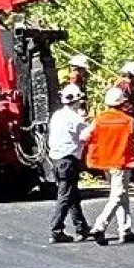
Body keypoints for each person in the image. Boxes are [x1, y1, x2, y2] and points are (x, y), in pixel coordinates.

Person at [84, 86, 134, 246]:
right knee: (118, 195)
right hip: (121, 162)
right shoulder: (127, 120)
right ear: (122, 104)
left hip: (105, 162)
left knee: (122, 195)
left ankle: (125, 230)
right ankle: (100, 225)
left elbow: (84, 136)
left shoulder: (99, 119)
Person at [47, 84, 91, 244]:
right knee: (65, 196)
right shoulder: (75, 119)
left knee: (72, 195)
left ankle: (81, 227)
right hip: (68, 160)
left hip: (57, 159)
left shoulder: (57, 115)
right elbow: (86, 136)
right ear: (76, 101)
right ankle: (56, 229)